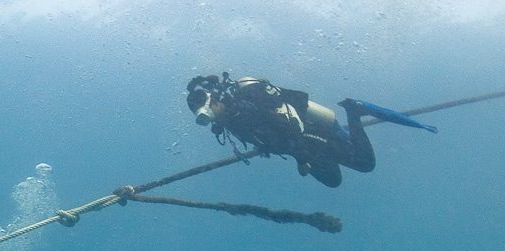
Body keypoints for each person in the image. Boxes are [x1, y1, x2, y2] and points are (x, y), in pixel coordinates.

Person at [185, 72, 436, 187]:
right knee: (332, 181)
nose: (208, 118)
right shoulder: (230, 120)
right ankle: (339, 144)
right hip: (301, 147)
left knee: (364, 164)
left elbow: (288, 125)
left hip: (309, 136)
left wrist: (302, 157)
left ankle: (355, 110)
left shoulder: (244, 108)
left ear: (214, 101)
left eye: (207, 111)